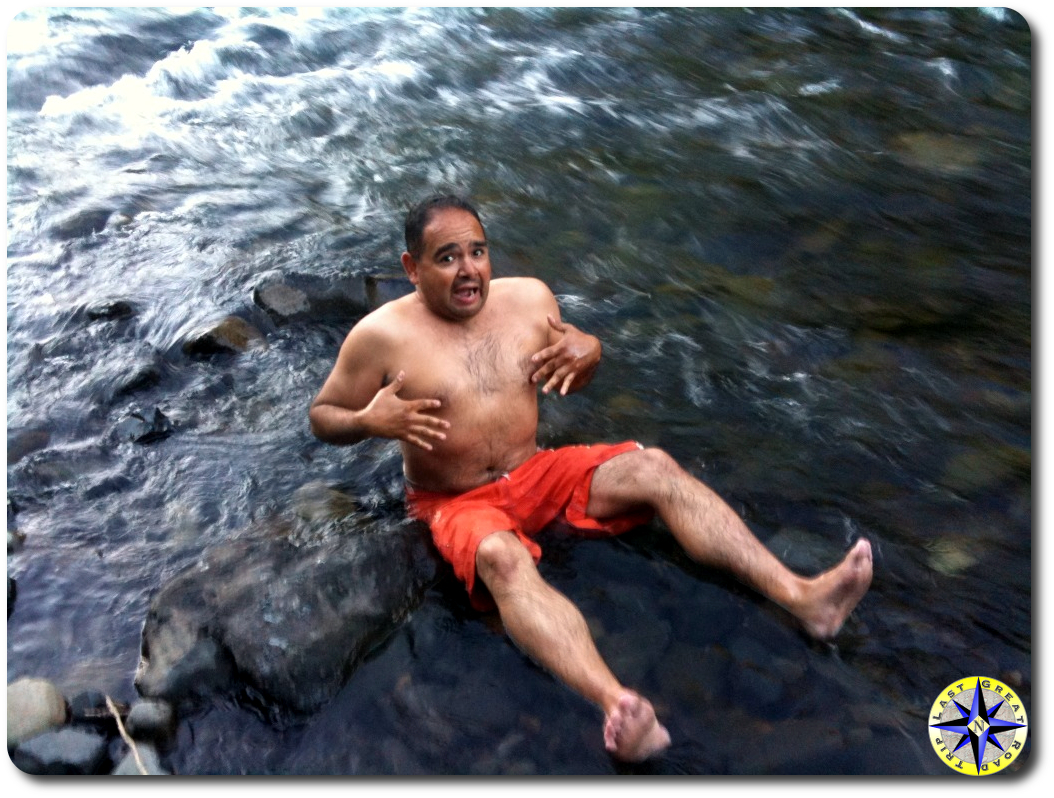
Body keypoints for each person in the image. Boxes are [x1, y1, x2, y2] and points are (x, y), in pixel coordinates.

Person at [309, 194, 873, 762]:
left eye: (477, 252)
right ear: (412, 268)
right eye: (447, 257)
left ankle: (804, 598)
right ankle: (618, 707)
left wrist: (592, 349)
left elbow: (571, 368)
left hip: (537, 471)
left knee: (654, 467)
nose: (469, 270)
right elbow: (322, 417)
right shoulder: (380, 336)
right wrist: (367, 420)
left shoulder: (529, 299)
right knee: (504, 560)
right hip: (454, 500)